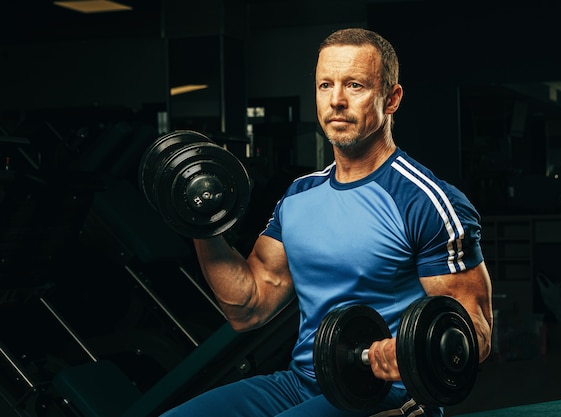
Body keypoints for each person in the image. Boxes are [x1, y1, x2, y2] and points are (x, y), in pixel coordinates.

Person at [161, 27, 493, 417]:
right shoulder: (300, 196)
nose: (336, 101)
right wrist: (203, 225)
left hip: (387, 393)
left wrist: (410, 351)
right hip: (301, 382)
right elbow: (248, 306)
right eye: (325, 85)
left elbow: (476, 330)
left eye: (354, 85)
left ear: (391, 99)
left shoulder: (424, 201)